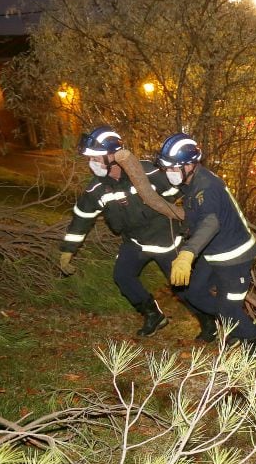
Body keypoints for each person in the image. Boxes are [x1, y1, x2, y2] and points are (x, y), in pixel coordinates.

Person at [58, 125, 199, 337]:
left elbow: (181, 188)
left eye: (96, 158)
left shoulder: (147, 171)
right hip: (134, 242)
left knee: (183, 288)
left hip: (165, 240)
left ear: (113, 155)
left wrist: (194, 216)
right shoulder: (96, 188)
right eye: (90, 158)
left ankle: (209, 322)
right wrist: (68, 250)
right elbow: (82, 217)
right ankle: (153, 314)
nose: (91, 163)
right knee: (123, 276)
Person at [155, 133, 256, 355]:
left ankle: (254, 338)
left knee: (228, 308)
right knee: (193, 293)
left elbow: (210, 222)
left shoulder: (207, 187)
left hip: (236, 256)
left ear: (190, 165)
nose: (169, 173)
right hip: (212, 253)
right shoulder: (190, 181)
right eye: (166, 168)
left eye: (173, 168)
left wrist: (188, 253)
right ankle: (230, 326)